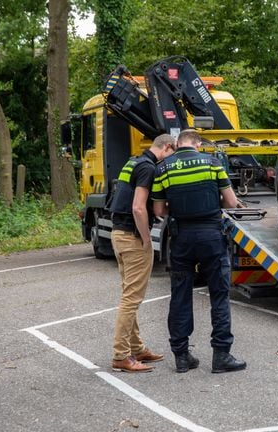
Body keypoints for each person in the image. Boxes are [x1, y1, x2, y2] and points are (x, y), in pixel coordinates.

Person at [151, 129, 246, 374]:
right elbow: (232, 202)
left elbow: (159, 210)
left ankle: (182, 357)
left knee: (180, 295)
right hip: (212, 236)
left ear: (177, 143)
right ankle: (221, 356)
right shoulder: (213, 163)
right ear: (197, 143)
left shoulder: (164, 168)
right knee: (219, 295)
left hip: (181, 237)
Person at [110, 134, 175, 373]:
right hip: (132, 238)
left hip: (119, 234)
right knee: (131, 299)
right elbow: (138, 207)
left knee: (130, 294)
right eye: (171, 153)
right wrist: (147, 239)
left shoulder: (134, 162)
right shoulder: (148, 168)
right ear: (166, 147)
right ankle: (121, 355)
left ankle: (136, 348)